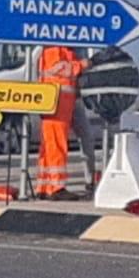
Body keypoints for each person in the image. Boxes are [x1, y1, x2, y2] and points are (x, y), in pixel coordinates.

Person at [38, 44, 86, 198]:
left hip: (56, 101)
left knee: (50, 143)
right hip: (57, 101)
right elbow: (63, 70)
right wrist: (85, 64)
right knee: (56, 143)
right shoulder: (55, 48)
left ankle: (45, 186)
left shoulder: (59, 48)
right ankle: (56, 187)